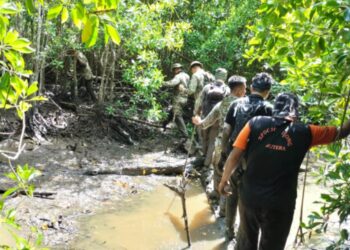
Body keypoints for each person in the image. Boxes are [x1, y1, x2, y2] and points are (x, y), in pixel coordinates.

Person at [218, 92, 350, 250]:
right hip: (280, 203)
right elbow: (340, 132)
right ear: (295, 111)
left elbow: (234, 155)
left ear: (275, 107)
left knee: (246, 242)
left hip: (250, 197)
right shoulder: (306, 132)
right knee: (273, 245)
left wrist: (224, 180)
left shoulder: (255, 123)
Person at [223, 72, 273, 240]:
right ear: (268, 91)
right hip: (255, 162)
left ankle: (228, 230)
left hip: (234, 158)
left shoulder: (236, 104)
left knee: (232, 194)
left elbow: (226, 131)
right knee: (247, 201)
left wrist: (225, 154)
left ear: (251, 87)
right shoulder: (269, 108)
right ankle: (241, 235)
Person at [192, 75, 246, 196]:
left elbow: (205, 123)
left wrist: (198, 121)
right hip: (240, 146)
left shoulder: (221, 104)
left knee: (218, 170)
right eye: (245, 89)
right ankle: (227, 204)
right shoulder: (246, 105)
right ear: (239, 90)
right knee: (235, 174)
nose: (246, 91)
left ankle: (217, 193)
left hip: (220, 144)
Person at [193, 68, 229, 169]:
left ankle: (203, 155)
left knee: (204, 137)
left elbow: (199, 102)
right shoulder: (227, 89)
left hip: (204, 117)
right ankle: (206, 164)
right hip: (217, 120)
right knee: (213, 141)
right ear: (225, 77)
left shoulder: (207, 87)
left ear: (216, 75)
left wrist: (197, 113)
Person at [163, 63, 190, 139]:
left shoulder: (178, 76)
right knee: (172, 112)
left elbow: (172, 83)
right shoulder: (187, 75)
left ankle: (185, 135)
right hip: (185, 98)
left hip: (178, 98)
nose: (174, 71)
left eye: (175, 69)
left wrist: (160, 83)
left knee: (177, 116)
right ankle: (164, 125)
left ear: (176, 69)